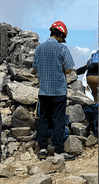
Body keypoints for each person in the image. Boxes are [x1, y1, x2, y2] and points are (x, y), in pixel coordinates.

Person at [32, 21, 76, 160]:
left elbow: (34, 69)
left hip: (44, 91)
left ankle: (43, 149)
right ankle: (59, 151)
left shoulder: (39, 49)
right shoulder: (62, 49)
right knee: (58, 121)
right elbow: (68, 69)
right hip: (58, 91)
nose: (63, 40)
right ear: (61, 35)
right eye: (63, 38)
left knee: (44, 119)